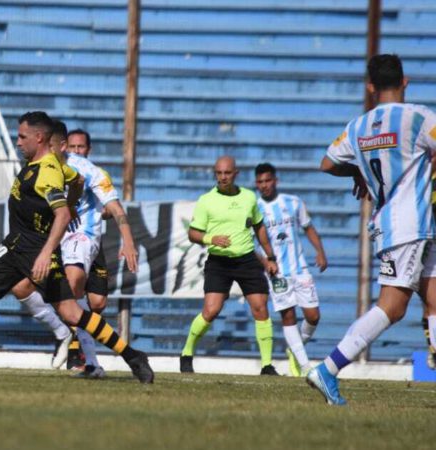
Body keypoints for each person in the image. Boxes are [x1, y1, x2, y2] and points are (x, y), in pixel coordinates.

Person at [0, 111, 154, 383]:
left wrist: (46, 252)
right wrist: (72, 201)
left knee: (72, 312)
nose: (18, 142)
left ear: (39, 138)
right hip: (14, 246)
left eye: (22, 137)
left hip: (34, 249)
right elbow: (76, 182)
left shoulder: (47, 174)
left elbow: (63, 216)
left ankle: (132, 356)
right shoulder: (50, 164)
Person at [308, 54, 436, 405]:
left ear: (370, 87)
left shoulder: (358, 126)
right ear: (405, 81)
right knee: (392, 308)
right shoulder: (418, 117)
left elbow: (327, 163)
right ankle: (328, 368)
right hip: (410, 224)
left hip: (404, 226)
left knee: (435, 296)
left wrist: (359, 173)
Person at [12, 125, 139, 379]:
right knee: (20, 286)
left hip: (84, 236)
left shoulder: (89, 170)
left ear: (58, 145)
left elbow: (115, 208)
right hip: (55, 237)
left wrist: (128, 240)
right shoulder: (39, 169)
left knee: (77, 289)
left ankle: (88, 358)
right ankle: (65, 335)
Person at [179, 155, 280, 375]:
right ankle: (186, 353)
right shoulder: (206, 200)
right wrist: (210, 239)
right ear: (215, 174)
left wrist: (270, 257)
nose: (223, 177)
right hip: (219, 261)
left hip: (246, 260)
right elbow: (193, 233)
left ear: (236, 174)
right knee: (211, 310)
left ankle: (266, 365)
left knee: (261, 308)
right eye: (219, 173)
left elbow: (259, 227)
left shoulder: (248, 198)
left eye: (227, 173)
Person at [254, 163, 327, 376]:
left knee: (313, 316)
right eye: (260, 182)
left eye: (267, 180)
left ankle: (295, 348)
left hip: (300, 268)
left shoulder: (293, 202)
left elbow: (309, 228)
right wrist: (266, 262)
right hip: (277, 272)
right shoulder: (254, 209)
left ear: (275, 181)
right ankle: (304, 367)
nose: (264, 185)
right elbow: (250, 244)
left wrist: (320, 251)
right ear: (256, 184)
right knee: (288, 317)